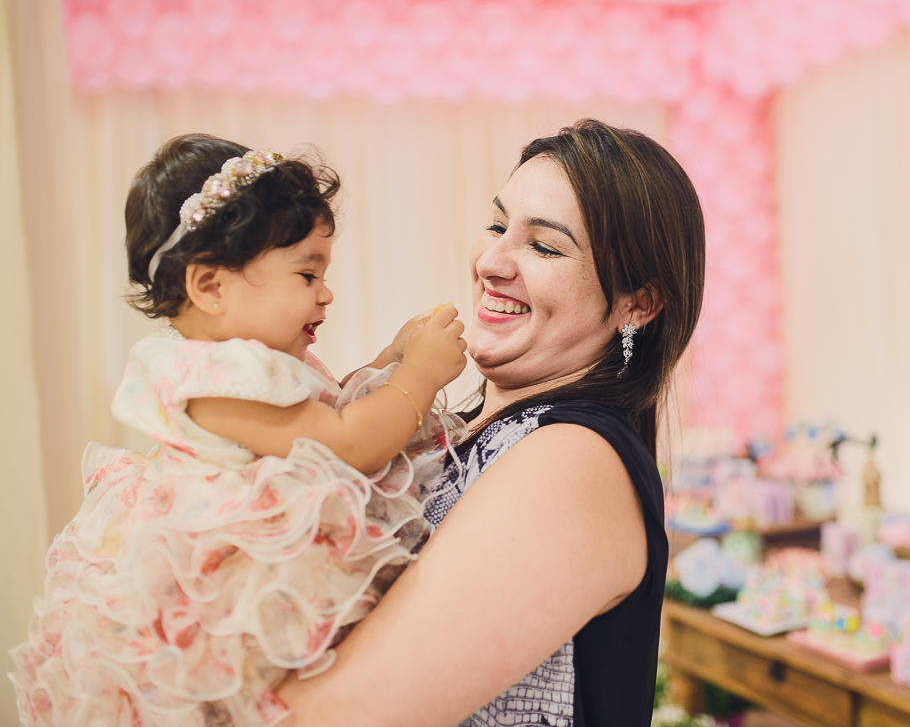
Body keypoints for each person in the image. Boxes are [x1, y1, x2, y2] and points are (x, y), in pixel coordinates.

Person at [10, 135, 468, 726]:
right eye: (307, 273)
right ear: (211, 287)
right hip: (225, 589)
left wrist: (391, 358)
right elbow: (348, 443)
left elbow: (322, 410)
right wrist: (420, 374)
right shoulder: (214, 379)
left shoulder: (243, 359)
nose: (325, 292)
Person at [277, 119, 706, 726]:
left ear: (638, 302)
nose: (492, 262)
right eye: (498, 225)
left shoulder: (572, 462)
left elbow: (342, 715)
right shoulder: (459, 425)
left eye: (545, 246)